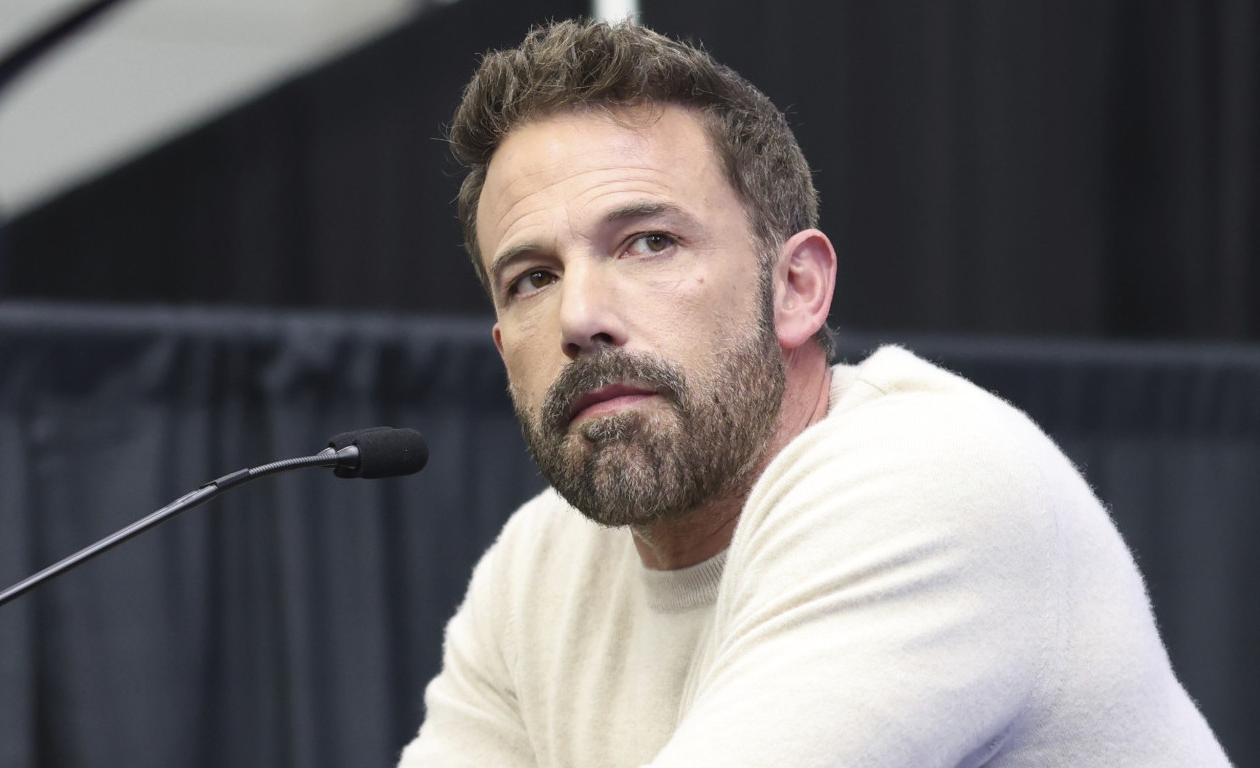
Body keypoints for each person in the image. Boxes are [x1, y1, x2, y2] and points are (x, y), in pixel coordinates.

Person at [399, 18, 1232, 768]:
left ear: (796, 288)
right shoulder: (535, 567)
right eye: (532, 278)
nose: (580, 318)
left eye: (649, 242)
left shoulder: (931, 482)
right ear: (504, 350)